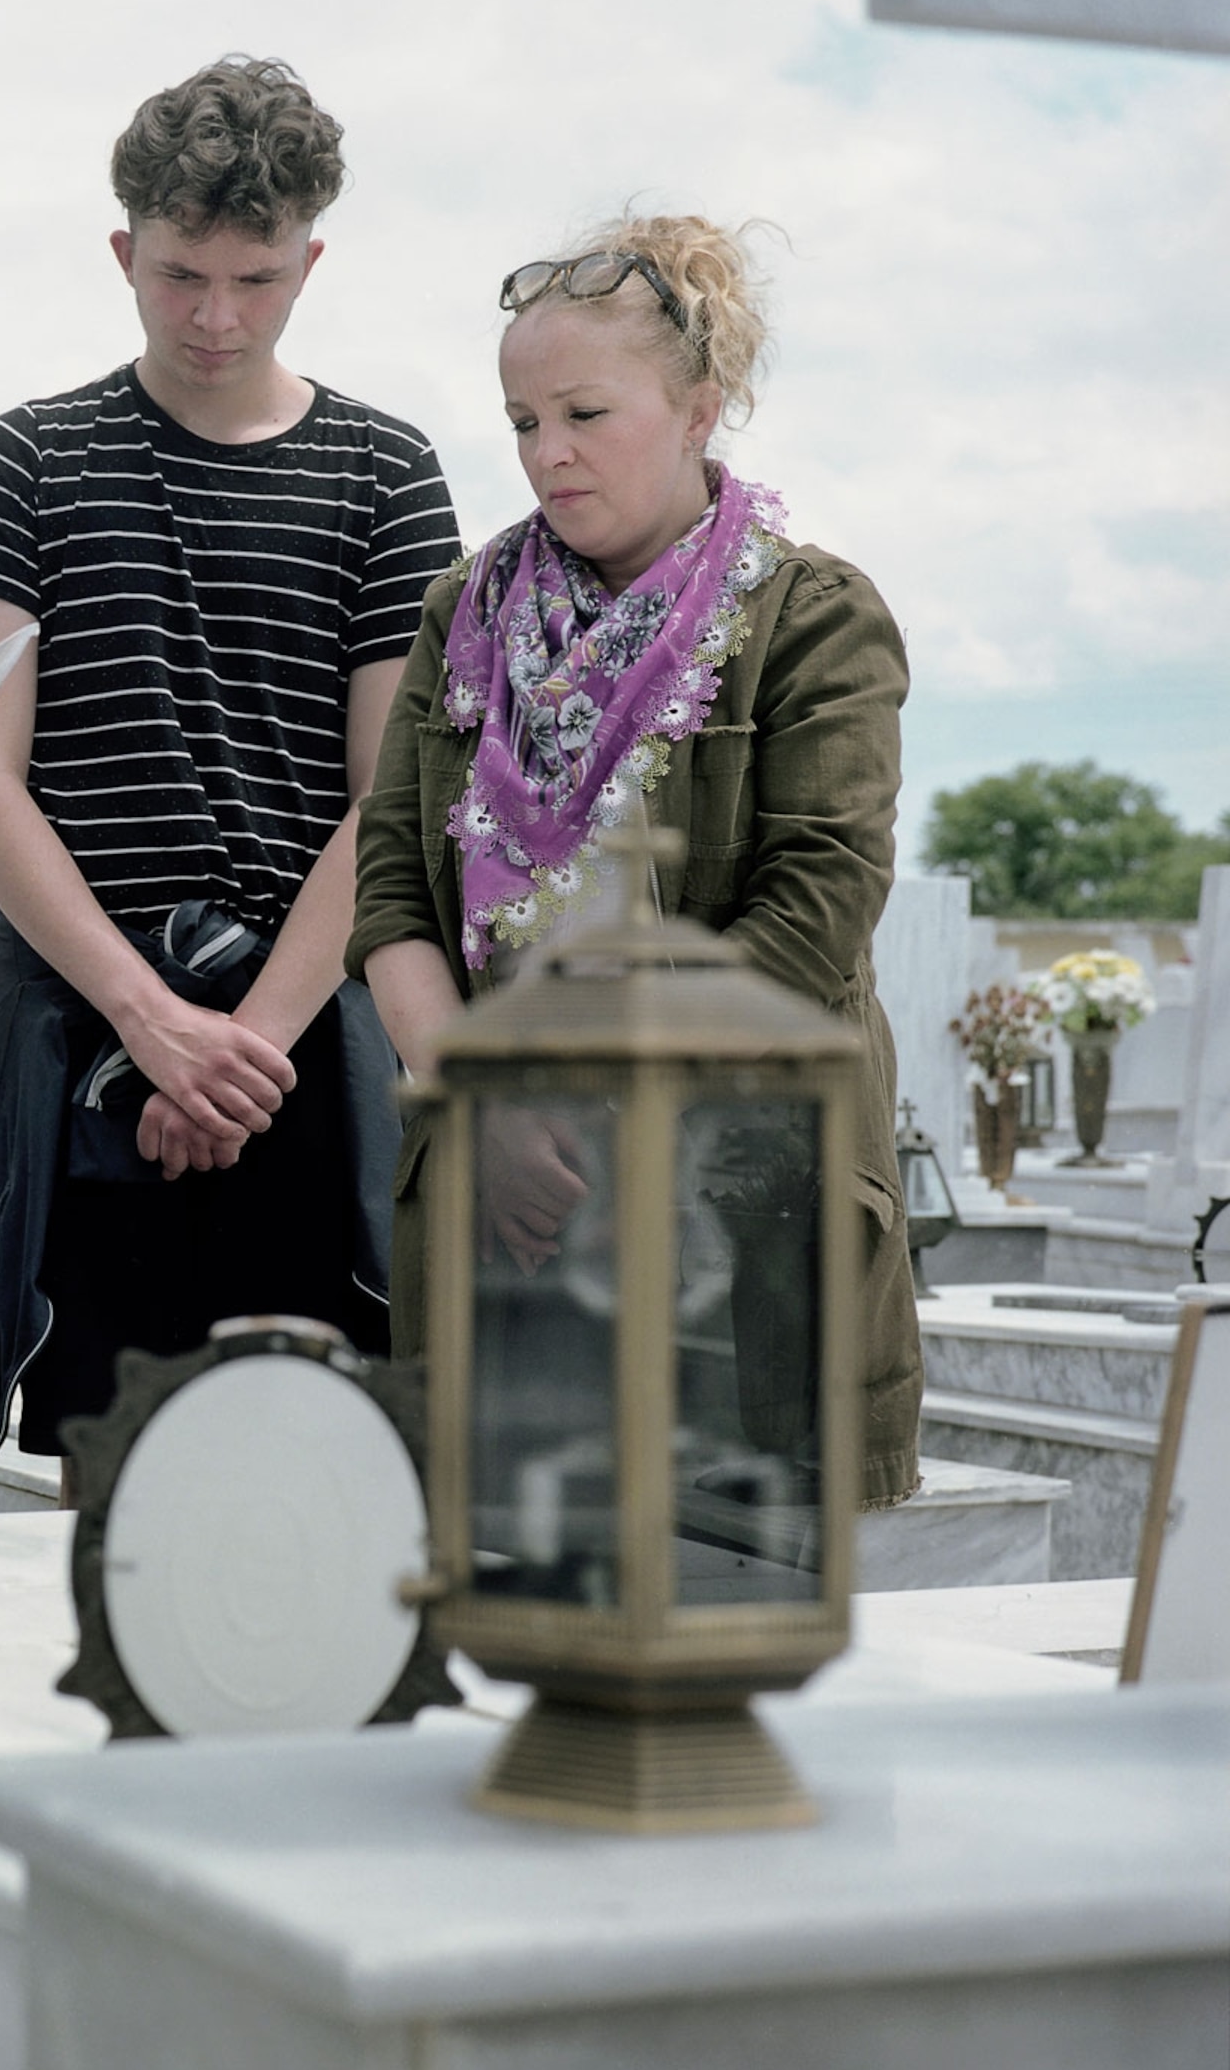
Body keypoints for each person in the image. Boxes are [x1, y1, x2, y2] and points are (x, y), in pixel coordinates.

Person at [0, 57, 460, 1507]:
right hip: (89, 1047)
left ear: (310, 262)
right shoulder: (22, 463)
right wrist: (151, 1020)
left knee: (325, 1498)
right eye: (179, 276)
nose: (217, 317)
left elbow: (388, 801)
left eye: (256, 278)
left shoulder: (387, 475)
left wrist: (245, 1051)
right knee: (106, 1510)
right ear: (124, 253)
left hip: (302, 1069)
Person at [349, 214, 923, 1511]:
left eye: (586, 414)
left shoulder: (812, 622)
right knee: (498, 1639)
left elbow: (812, 913)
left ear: (700, 407)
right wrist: (480, 1101)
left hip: (741, 1235)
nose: (547, 453)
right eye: (521, 420)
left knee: (728, 1659)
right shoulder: (469, 612)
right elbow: (390, 886)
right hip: (507, 1218)